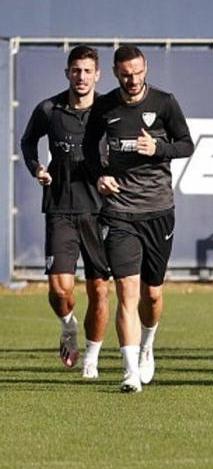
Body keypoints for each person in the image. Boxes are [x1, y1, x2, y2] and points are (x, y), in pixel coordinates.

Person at [83, 44, 194, 393]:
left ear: (146, 68)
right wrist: (99, 175)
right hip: (119, 212)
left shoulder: (164, 103)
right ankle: (130, 371)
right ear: (116, 73)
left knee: (153, 295)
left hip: (159, 210)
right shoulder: (104, 107)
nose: (133, 80)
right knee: (126, 291)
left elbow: (187, 145)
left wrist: (158, 148)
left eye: (138, 72)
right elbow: (88, 151)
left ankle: (147, 346)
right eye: (126, 74)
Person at [20, 44, 109, 379]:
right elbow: (28, 142)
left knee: (99, 290)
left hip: (100, 212)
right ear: (67, 73)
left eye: (88, 71)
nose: (82, 76)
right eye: (76, 70)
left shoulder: (108, 110)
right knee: (60, 289)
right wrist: (36, 168)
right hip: (60, 207)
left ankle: (92, 358)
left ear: (97, 74)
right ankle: (68, 327)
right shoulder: (49, 109)